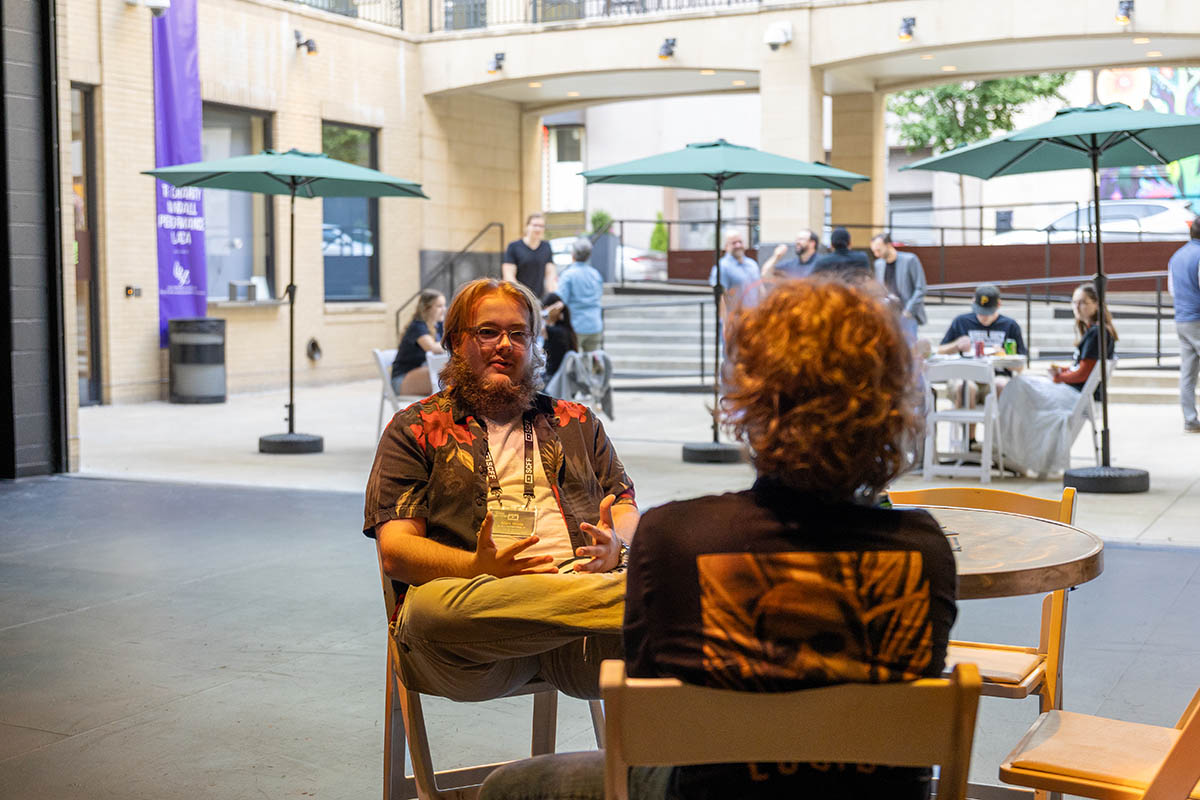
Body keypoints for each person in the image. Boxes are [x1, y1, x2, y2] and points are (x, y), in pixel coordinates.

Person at [479, 279, 957, 800]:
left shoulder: (676, 538)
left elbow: (649, 731)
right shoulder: (926, 551)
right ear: (894, 406)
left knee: (508, 788)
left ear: (752, 398)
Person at [363, 278, 639, 703]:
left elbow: (622, 503)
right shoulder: (415, 428)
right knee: (432, 612)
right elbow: (396, 552)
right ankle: (610, 603)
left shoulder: (577, 422)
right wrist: (476, 565)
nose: (505, 345)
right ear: (456, 342)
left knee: (667, 585)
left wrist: (617, 546)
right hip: (477, 637)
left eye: (518, 334)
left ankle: (594, 601)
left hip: (583, 647)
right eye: (488, 332)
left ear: (534, 344)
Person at [998, 282, 1118, 477]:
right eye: (1074, 302)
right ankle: (1014, 451)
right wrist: (1062, 370)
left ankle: (1009, 450)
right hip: (1076, 393)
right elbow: (1081, 367)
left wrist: (1059, 377)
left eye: (1082, 302)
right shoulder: (1095, 331)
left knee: (1018, 386)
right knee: (1020, 387)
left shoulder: (1097, 333)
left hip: (1076, 396)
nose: (1077, 307)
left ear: (1097, 304)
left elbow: (1082, 374)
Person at [937, 284, 1027, 410]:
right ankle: (967, 423)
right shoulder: (961, 321)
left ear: (999, 305)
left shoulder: (1010, 325)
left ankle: (997, 423)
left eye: (988, 312)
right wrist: (956, 345)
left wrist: (1003, 355)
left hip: (996, 376)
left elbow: (1020, 367)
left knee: (1001, 384)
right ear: (973, 302)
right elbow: (940, 351)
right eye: (980, 311)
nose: (984, 316)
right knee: (965, 387)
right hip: (965, 375)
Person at [1168, 218, 1200, 433]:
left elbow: (1172, 289)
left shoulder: (1176, 256)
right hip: (1198, 319)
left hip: (1182, 319)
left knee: (1188, 374)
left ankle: (1190, 419)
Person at [870, 233, 928, 338]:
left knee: (909, 345)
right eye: (874, 251)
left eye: (878, 250)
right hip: (888, 315)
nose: (876, 254)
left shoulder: (910, 260)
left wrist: (908, 311)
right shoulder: (879, 264)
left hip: (907, 313)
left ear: (888, 245)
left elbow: (921, 288)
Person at [390, 290, 446, 396]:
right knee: (448, 376)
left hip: (422, 374)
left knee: (454, 374)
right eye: (439, 306)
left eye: (444, 305)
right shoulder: (417, 326)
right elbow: (432, 348)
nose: (444, 309)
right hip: (401, 380)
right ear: (426, 308)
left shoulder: (438, 326)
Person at [556, 237, 604, 353]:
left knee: (572, 358)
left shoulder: (568, 275)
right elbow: (599, 295)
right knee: (591, 358)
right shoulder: (596, 274)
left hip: (575, 325)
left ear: (572, 254)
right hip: (595, 324)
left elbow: (561, 300)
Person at [708, 228, 761, 317]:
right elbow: (720, 299)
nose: (738, 245)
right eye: (734, 243)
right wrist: (725, 322)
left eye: (740, 242)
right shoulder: (722, 267)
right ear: (726, 246)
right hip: (735, 321)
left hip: (754, 319)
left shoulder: (752, 264)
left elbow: (759, 289)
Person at [503, 212, 557, 299]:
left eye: (541, 226)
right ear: (527, 227)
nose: (538, 229)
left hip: (538, 298)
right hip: (519, 297)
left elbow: (550, 274)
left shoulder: (546, 246)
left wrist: (553, 295)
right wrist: (521, 295)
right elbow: (508, 275)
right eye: (535, 225)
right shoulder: (514, 246)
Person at [540, 291, 578, 379]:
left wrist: (549, 311)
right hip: (560, 378)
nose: (545, 314)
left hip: (553, 379)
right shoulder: (565, 329)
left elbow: (538, 320)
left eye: (546, 309)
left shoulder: (554, 331)